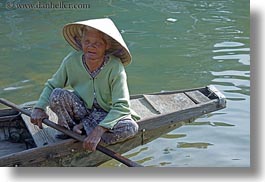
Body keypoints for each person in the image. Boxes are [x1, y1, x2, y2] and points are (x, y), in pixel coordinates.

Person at [30, 18, 140, 151]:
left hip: (105, 114)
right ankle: (72, 130)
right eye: (87, 42)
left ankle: (83, 129)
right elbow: (52, 85)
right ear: (81, 42)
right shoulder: (71, 60)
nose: (91, 47)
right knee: (57, 94)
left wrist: (99, 130)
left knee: (130, 128)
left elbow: (122, 106)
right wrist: (39, 108)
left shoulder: (115, 67)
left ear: (107, 46)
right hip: (81, 110)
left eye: (97, 43)